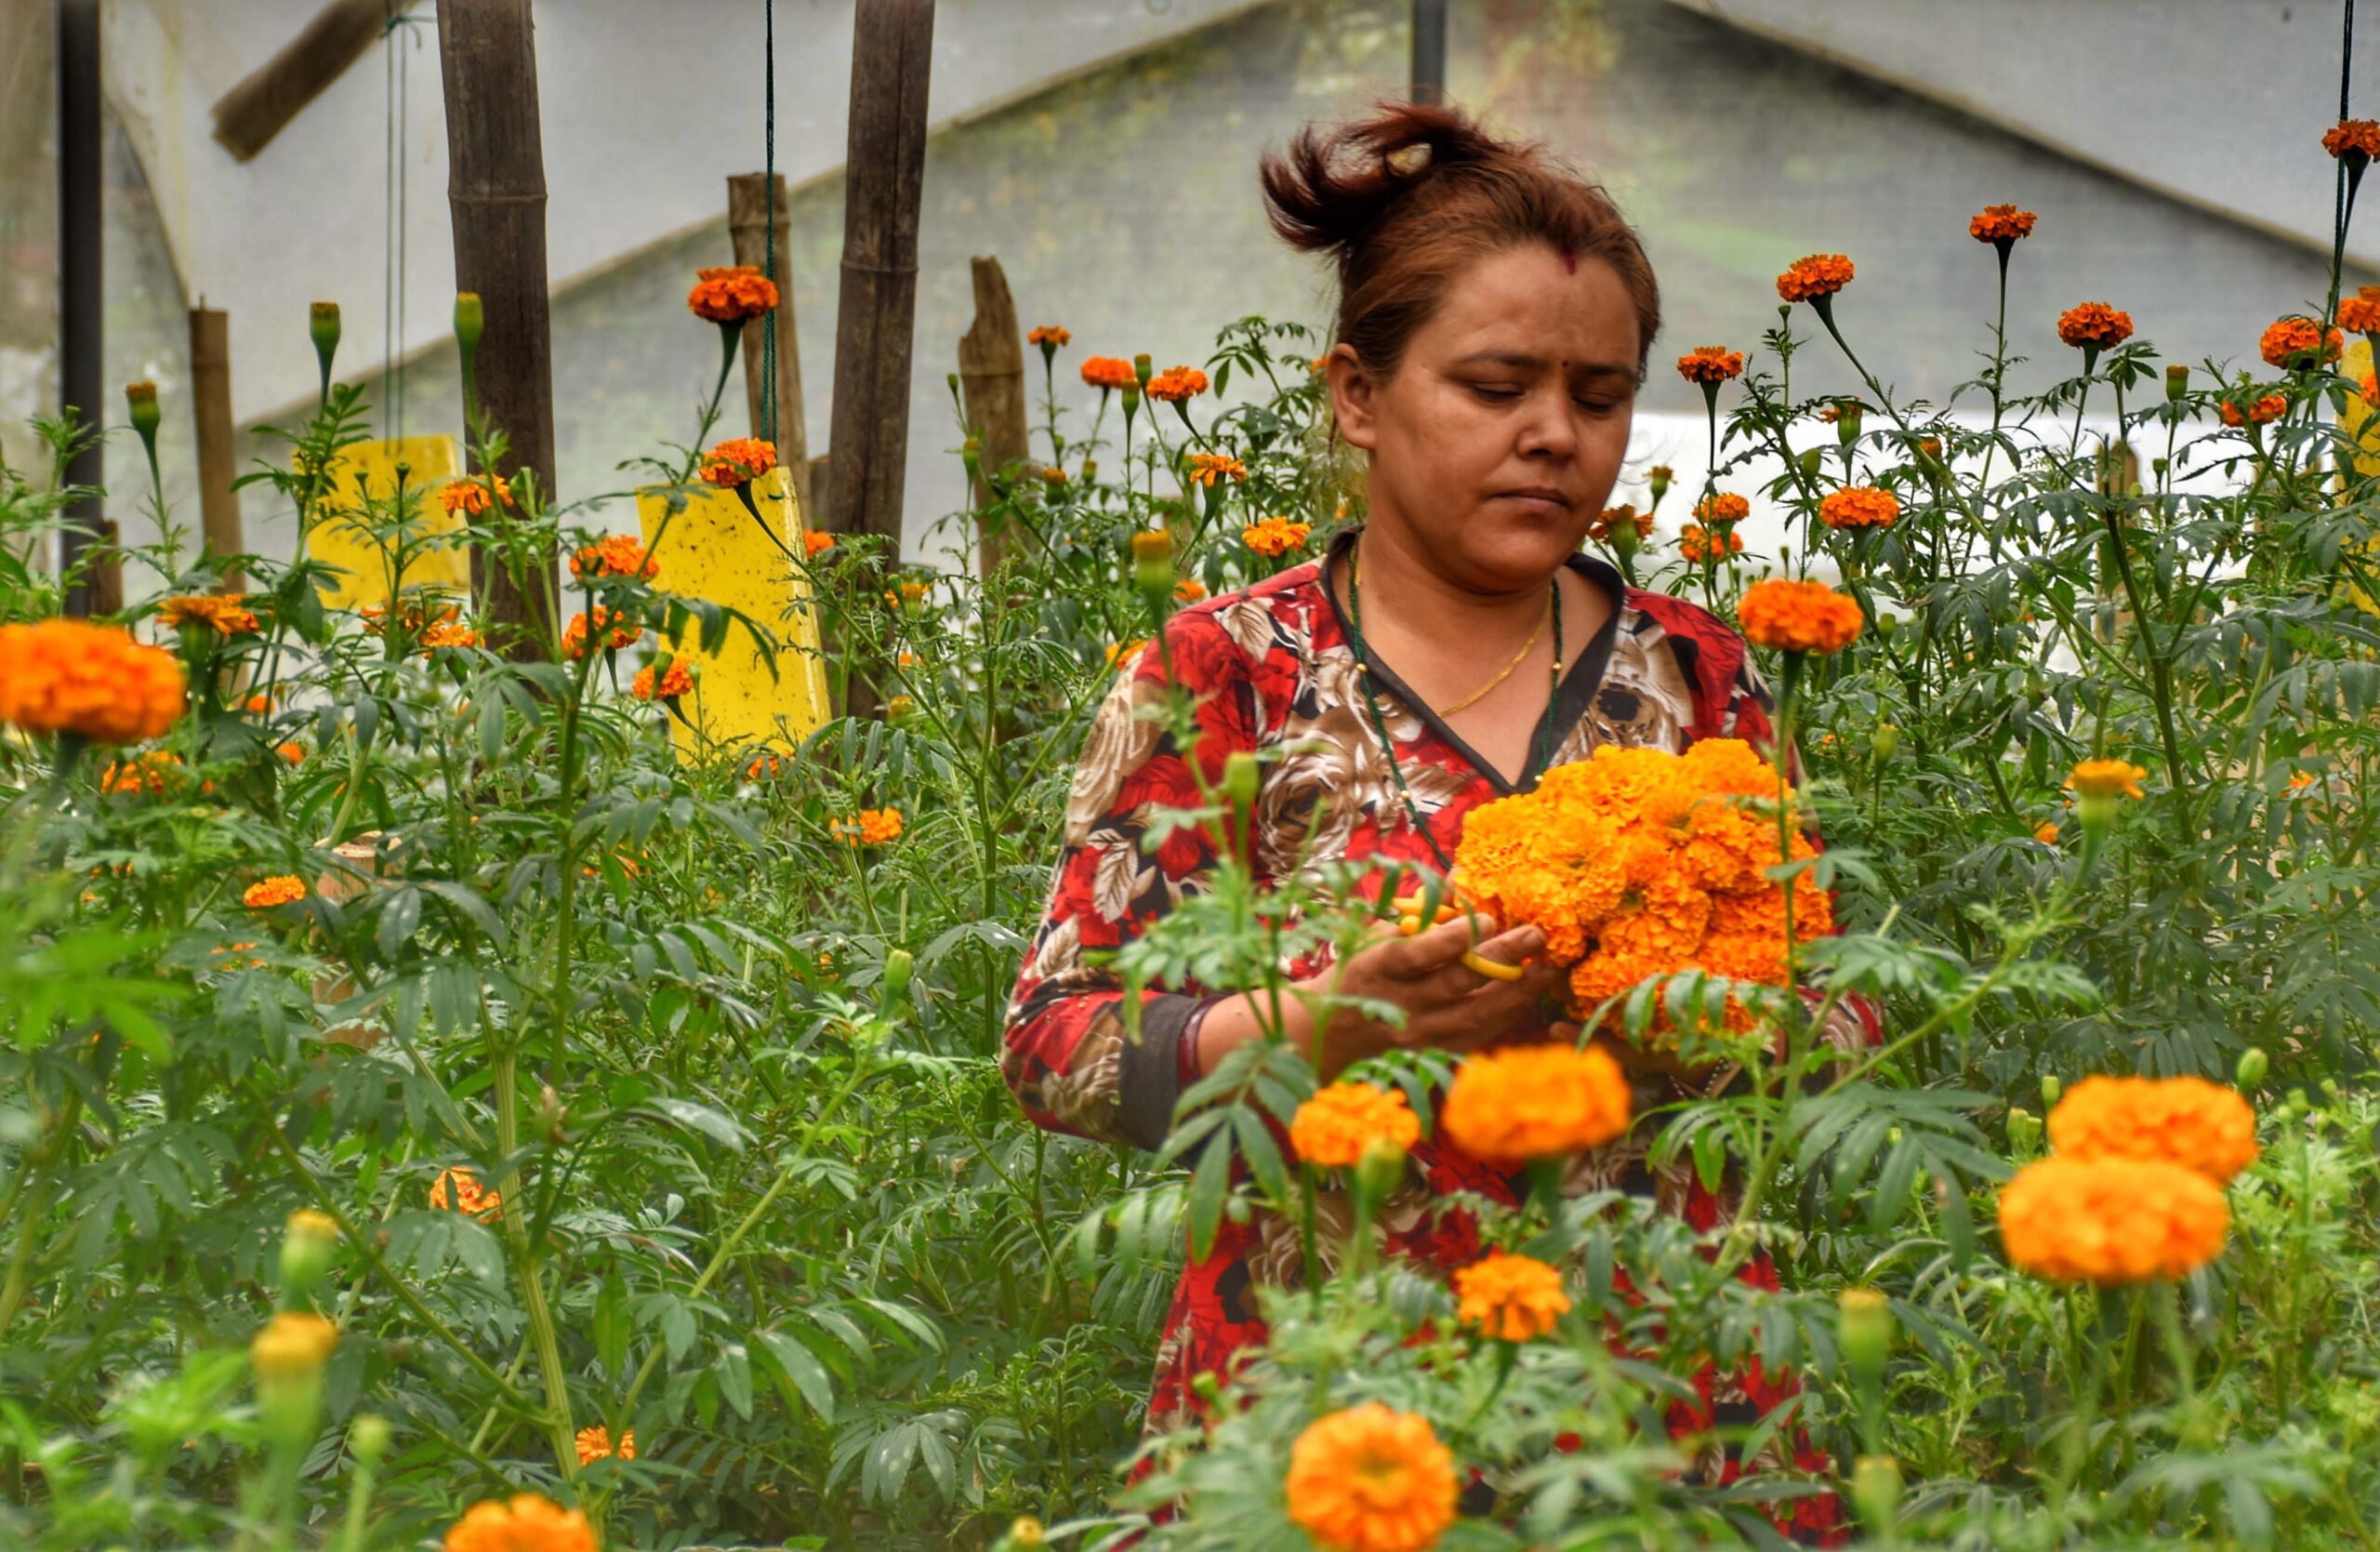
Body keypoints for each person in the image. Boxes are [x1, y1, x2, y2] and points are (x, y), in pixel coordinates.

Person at [1001, 100, 1871, 1543]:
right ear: (1359, 392)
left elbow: (1841, 1011)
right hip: (1324, 1417)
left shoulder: (1697, 674)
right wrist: (1320, 1027)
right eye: (1495, 385)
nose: (1554, 435)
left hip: (1668, 1411)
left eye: (1600, 396)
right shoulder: (1224, 673)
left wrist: (1691, 1006)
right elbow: (1054, 1044)